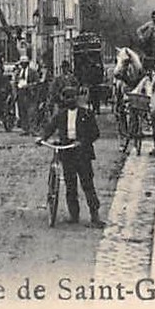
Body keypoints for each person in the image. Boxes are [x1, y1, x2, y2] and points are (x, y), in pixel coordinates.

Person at [39, 85, 105, 228]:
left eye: (73, 97)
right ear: (63, 99)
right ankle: (73, 215)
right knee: (70, 184)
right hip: (67, 152)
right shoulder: (60, 115)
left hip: (82, 153)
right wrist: (42, 138)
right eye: (67, 97)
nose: (70, 100)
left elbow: (95, 133)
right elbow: (50, 128)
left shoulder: (86, 114)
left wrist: (82, 141)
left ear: (77, 98)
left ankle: (95, 215)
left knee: (87, 184)